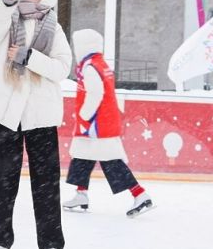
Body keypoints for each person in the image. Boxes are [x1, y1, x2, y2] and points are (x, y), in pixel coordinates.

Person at [0, 0, 72, 249]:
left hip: (41, 115)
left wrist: (29, 57)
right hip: (7, 111)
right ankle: (0, 241)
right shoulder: (7, 17)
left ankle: (51, 243)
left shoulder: (54, 28)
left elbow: (62, 69)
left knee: (46, 181)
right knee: (3, 180)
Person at [63, 28, 154, 217]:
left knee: (110, 161)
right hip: (103, 121)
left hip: (97, 123)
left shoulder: (90, 67)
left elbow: (96, 93)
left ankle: (140, 194)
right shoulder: (99, 63)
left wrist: (85, 115)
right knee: (82, 155)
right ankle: (81, 194)